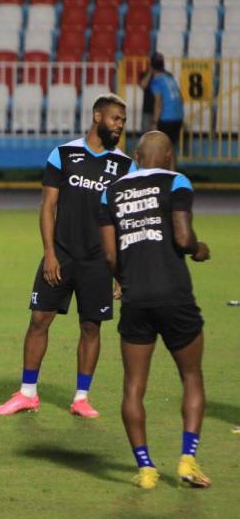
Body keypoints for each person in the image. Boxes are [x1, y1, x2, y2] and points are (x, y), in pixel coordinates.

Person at [0, 94, 136, 418]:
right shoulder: (64, 154)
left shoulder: (126, 165)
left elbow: (124, 220)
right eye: (116, 119)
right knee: (39, 320)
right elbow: (48, 207)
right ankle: (27, 393)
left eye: (123, 121)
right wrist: (49, 253)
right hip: (62, 254)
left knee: (91, 327)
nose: (120, 126)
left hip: (99, 260)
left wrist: (120, 270)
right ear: (97, 116)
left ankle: (81, 398)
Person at [99, 130, 211, 489]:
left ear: (136, 155)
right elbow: (182, 236)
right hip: (175, 296)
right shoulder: (176, 181)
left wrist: (127, 280)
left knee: (133, 387)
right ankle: (187, 460)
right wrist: (198, 248)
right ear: (168, 156)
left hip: (135, 299)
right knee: (191, 377)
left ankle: (146, 468)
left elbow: (109, 255)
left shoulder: (111, 191)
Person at [148, 52, 184, 154]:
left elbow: (158, 103)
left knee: (161, 149)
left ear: (151, 66)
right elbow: (180, 97)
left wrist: (154, 122)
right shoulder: (170, 78)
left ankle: (161, 169)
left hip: (166, 118)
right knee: (171, 149)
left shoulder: (156, 81)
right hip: (178, 116)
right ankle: (172, 169)